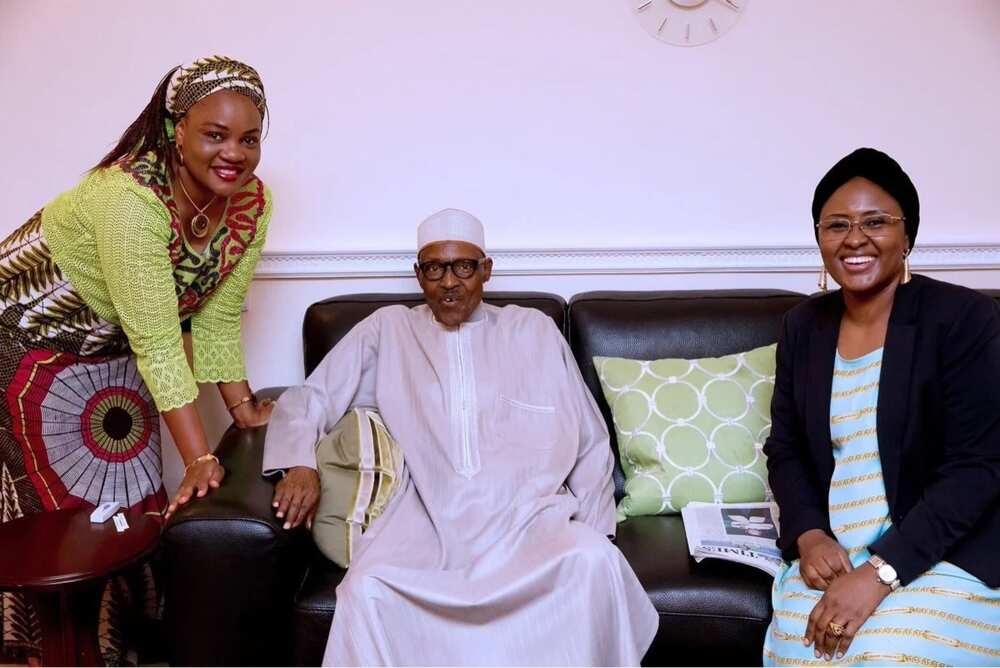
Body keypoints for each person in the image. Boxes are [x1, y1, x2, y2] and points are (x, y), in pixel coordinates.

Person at [263, 208, 658, 666]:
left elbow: (589, 438)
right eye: (434, 268)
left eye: (463, 266)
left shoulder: (533, 330)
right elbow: (310, 397)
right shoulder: (387, 330)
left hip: (530, 519)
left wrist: (595, 527)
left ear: (485, 269)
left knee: (594, 562)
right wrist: (299, 463)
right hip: (424, 522)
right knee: (366, 590)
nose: (449, 281)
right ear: (418, 275)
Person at [0, 56, 274, 664]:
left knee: (130, 494)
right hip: (24, 347)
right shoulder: (127, 200)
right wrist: (200, 455)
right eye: (215, 134)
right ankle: (58, 653)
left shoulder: (251, 204)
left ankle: (122, 643)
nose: (235, 152)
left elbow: (214, 316)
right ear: (176, 128)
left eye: (249, 138)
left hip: (114, 344)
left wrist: (244, 409)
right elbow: (157, 338)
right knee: (61, 512)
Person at [762, 148, 1000, 666]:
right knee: (808, 652)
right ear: (820, 238)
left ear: (907, 235)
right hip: (834, 553)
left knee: (883, 655)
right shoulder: (803, 326)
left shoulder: (963, 319)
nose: (854, 238)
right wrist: (809, 533)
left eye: (876, 222)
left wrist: (880, 573)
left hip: (943, 552)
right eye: (837, 224)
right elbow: (785, 449)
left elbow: (976, 469)